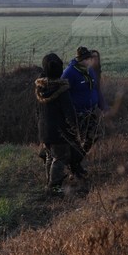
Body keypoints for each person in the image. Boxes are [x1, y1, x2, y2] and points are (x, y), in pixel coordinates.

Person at [35, 53, 78, 195]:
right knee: (59, 158)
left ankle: (49, 183)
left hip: (43, 130)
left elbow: (37, 111)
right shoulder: (62, 90)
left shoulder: (40, 89)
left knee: (49, 157)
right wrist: (75, 129)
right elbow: (69, 112)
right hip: (59, 132)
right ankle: (54, 187)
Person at [61, 46, 100, 178]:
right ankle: (74, 166)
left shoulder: (89, 71)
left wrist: (99, 104)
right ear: (81, 60)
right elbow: (62, 92)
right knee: (79, 140)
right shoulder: (70, 72)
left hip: (90, 111)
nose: (90, 61)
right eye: (87, 59)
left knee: (93, 136)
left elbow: (94, 89)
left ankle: (76, 163)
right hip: (78, 113)